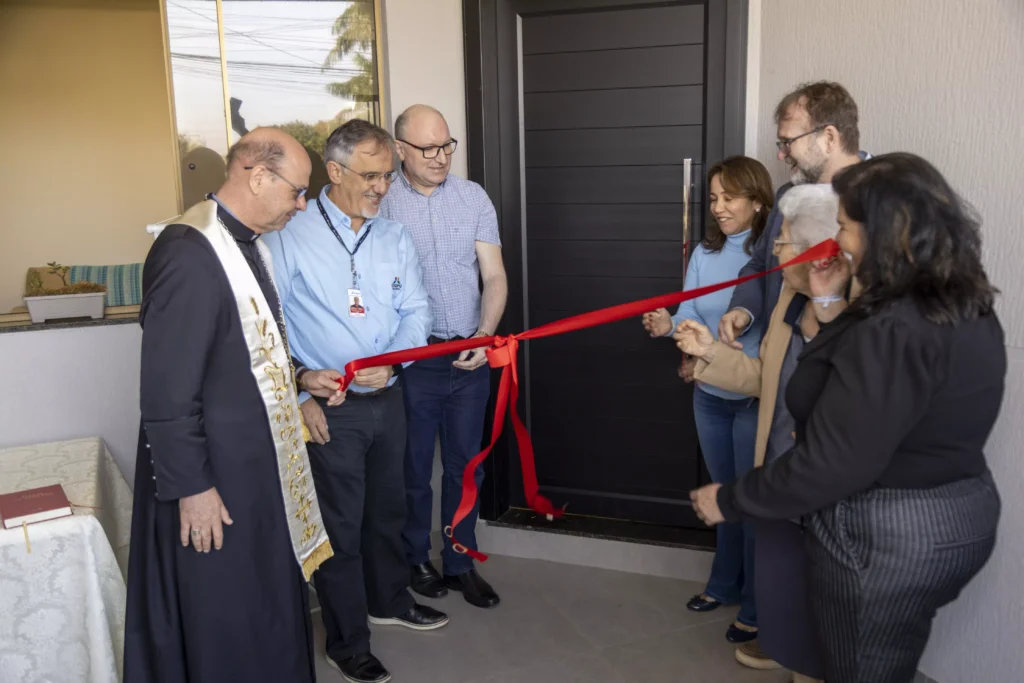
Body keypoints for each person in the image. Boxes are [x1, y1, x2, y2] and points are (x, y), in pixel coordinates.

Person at [690, 153, 1005, 683]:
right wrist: (831, 299)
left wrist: (728, 499)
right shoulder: (959, 301)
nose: (838, 241)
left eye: (846, 227)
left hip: (890, 532)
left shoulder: (892, 326)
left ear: (883, 232)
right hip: (960, 510)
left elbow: (833, 461)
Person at [125, 128, 337, 682]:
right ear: (258, 176)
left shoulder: (247, 244)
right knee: (226, 613)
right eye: (296, 191)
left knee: (265, 601)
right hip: (212, 482)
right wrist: (190, 488)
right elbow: (166, 390)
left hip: (256, 470)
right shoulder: (189, 252)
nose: (302, 204)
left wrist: (300, 378)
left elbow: (244, 354)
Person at [265, 119, 441, 683]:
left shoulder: (394, 237)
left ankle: (388, 600)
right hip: (330, 409)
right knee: (339, 525)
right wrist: (299, 394)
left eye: (387, 175)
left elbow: (418, 311)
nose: (382, 187)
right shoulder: (288, 236)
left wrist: (395, 360)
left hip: (389, 399)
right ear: (334, 171)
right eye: (369, 175)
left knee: (388, 511)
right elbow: (272, 327)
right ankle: (347, 640)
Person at [676, 183, 842, 683]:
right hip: (784, 475)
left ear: (820, 253)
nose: (772, 248)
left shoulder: (864, 323)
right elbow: (759, 379)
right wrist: (708, 352)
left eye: (784, 239)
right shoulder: (789, 309)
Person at [642, 156, 773, 648]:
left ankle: (758, 608)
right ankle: (724, 585)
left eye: (729, 198)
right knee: (722, 494)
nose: (718, 207)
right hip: (710, 395)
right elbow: (690, 311)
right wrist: (669, 326)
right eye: (713, 198)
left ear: (757, 200)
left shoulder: (772, 254)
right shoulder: (704, 251)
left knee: (752, 501)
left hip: (753, 396)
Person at [380, 104, 508, 608]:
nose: (440, 157)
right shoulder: (384, 200)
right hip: (412, 360)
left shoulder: (473, 198)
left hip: (468, 355)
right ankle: (416, 560)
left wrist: (484, 334)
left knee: (465, 467)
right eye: (428, 148)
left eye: (446, 145)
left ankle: (459, 560)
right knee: (413, 468)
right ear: (401, 150)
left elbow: (494, 276)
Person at [718, 82, 868, 351]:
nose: (780, 154)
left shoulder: (885, 197)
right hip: (778, 362)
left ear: (829, 138)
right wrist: (744, 309)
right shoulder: (787, 195)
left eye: (787, 142)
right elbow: (760, 264)